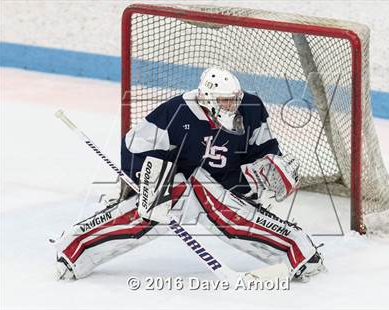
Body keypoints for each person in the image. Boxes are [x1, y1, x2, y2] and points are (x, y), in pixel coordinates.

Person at [53, 67, 325, 282]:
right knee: (149, 212)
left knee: (238, 221)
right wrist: (147, 182)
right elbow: (136, 146)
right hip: (182, 187)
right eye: (226, 101)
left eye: (236, 98)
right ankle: (73, 249)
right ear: (208, 99)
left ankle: (297, 252)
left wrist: (270, 165)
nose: (234, 105)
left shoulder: (251, 107)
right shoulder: (177, 111)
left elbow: (264, 148)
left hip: (227, 187)